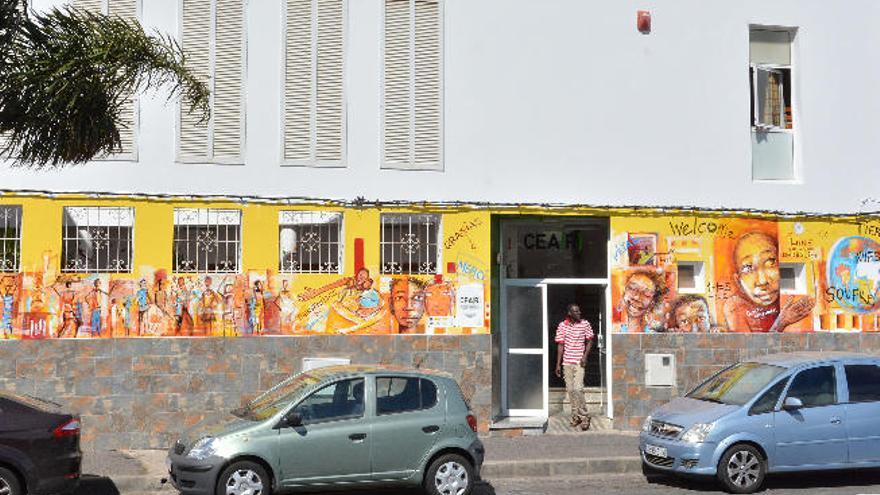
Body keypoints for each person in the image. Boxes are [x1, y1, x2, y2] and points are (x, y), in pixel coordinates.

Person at [722, 231, 814, 332]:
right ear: (738, 282)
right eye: (748, 268)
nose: (762, 281)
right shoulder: (735, 306)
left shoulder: (790, 292)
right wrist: (781, 322)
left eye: (771, 262)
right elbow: (749, 347)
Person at [554, 304, 594, 430]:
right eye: (576, 311)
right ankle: (575, 416)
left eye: (579, 310)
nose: (579, 313)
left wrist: (585, 356)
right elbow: (560, 345)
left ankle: (585, 416)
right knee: (571, 391)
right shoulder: (562, 326)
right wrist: (558, 364)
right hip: (567, 362)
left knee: (578, 389)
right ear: (570, 313)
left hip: (579, 362)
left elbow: (590, 340)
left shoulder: (585, 324)